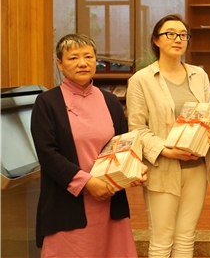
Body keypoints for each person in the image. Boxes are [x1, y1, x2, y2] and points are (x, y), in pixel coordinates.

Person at [30, 33, 146, 257]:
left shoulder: (110, 101)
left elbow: (123, 145)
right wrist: (88, 182)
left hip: (110, 199)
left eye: (88, 57)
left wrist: (134, 168)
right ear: (60, 64)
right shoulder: (47, 103)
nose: (82, 63)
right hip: (67, 205)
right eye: (73, 58)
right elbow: (47, 154)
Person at [127, 14, 210, 257]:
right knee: (161, 241)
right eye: (170, 34)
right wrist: (168, 150)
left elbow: (209, 114)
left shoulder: (199, 75)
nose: (177, 39)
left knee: (186, 238)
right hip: (163, 168)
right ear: (156, 40)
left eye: (183, 35)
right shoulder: (141, 80)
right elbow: (137, 129)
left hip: (197, 167)